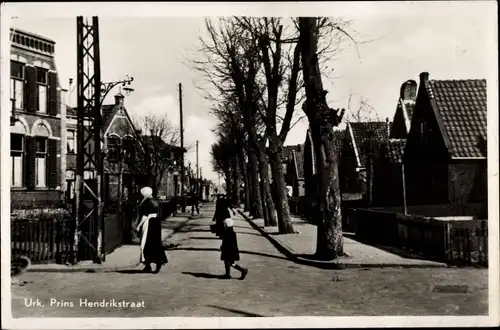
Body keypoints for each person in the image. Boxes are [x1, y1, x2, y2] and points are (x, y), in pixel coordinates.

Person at [135, 187, 168, 273]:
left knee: (144, 243)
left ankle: (147, 264)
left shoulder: (146, 202)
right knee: (156, 243)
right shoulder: (155, 202)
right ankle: (158, 261)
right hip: (156, 223)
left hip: (148, 223)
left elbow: (144, 216)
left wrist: (138, 226)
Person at [219, 198, 248, 280]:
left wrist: (223, 244)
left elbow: (226, 228)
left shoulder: (225, 216)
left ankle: (243, 270)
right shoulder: (227, 214)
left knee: (229, 260)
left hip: (228, 240)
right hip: (230, 238)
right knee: (226, 258)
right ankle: (227, 274)